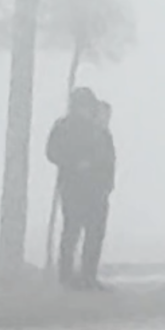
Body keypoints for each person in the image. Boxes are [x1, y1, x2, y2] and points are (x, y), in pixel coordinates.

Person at [45, 88, 116, 289]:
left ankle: (88, 276)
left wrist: (108, 183)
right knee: (72, 231)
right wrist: (75, 163)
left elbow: (108, 159)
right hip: (73, 187)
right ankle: (66, 277)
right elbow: (52, 152)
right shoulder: (64, 127)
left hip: (97, 189)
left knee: (95, 233)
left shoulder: (99, 130)